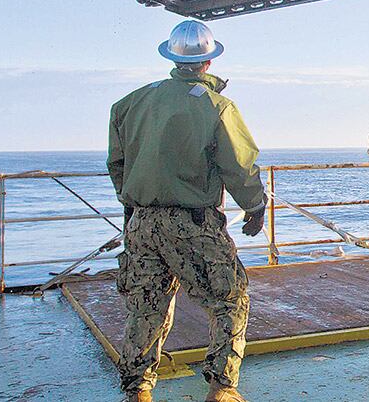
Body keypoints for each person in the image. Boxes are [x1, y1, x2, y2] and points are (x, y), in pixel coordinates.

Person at [108, 20, 267, 402]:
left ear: (171, 57)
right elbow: (239, 166)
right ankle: (222, 388)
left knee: (147, 305)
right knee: (230, 298)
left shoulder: (131, 103)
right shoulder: (218, 107)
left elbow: (118, 163)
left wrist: (134, 205)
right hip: (192, 222)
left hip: (141, 222)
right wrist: (255, 207)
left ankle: (138, 390)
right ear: (208, 62)